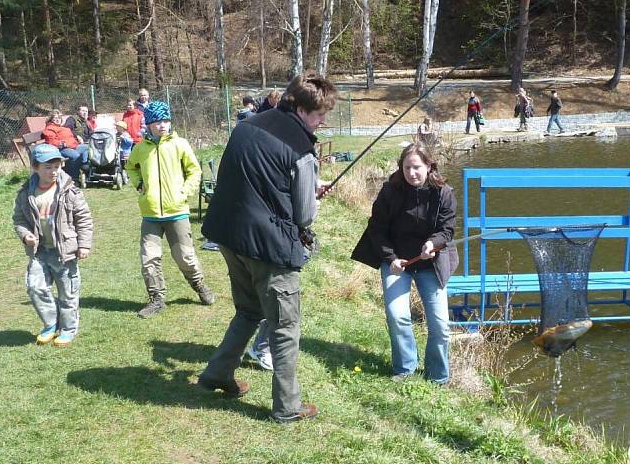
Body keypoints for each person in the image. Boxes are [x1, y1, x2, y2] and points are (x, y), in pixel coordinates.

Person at [197, 70, 336, 422]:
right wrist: (313, 197)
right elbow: (304, 216)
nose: (320, 123)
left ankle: (217, 374)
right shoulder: (302, 149)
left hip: (228, 236)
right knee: (285, 327)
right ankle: (288, 407)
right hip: (268, 248)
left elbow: (256, 180)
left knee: (247, 311)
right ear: (304, 110)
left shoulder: (248, 125)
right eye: (320, 116)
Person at [351, 143, 457, 385]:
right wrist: (390, 258)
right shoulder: (390, 191)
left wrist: (433, 244)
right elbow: (376, 229)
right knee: (397, 316)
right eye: (407, 167)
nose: (412, 173)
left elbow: (447, 230)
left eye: (417, 167)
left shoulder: (444, 193)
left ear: (429, 166)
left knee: (440, 325)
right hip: (398, 262)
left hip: (430, 263)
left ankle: (438, 377)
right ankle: (405, 369)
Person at [125, 100, 215, 318]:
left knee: (184, 256)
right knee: (149, 258)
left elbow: (194, 171)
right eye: (158, 121)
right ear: (149, 124)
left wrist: (185, 192)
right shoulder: (140, 149)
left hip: (177, 212)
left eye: (166, 120)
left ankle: (199, 286)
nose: (163, 125)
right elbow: (130, 167)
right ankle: (156, 299)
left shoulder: (180, 144)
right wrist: (139, 185)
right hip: (151, 213)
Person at [13, 143, 93, 347]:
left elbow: (83, 219)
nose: (53, 171)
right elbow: (19, 220)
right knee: (35, 287)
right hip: (39, 252)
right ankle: (51, 324)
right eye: (47, 167)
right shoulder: (26, 193)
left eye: (57, 166)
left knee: (68, 292)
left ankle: (68, 329)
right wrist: (25, 235)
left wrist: (84, 245)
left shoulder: (70, 191)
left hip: (64, 252)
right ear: (35, 168)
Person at [41, 109, 90, 184]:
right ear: (51, 119)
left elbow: (70, 137)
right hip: (60, 149)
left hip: (73, 146)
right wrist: (62, 143)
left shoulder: (62, 128)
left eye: (59, 118)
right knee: (75, 156)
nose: (57, 120)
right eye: (55, 118)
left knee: (87, 147)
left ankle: (85, 167)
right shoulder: (49, 128)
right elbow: (51, 141)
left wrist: (77, 139)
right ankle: (73, 179)